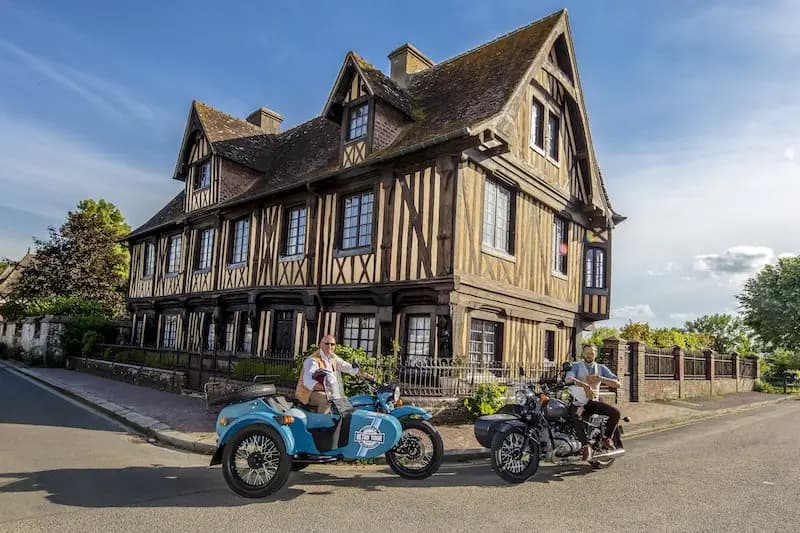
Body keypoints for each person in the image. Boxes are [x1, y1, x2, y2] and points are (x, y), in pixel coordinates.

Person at [565, 344, 622, 461]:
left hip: (593, 402)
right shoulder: (576, 366)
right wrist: (583, 384)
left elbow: (617, 383)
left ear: (595, 354)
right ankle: (586, 446)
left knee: (616, 413)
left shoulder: (601, 368)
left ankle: (606, 438)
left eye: (591, 353)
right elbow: (568, 379)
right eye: (587, 352)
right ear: (583, 353)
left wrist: (601, 378)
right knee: (576, 415)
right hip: (579, 402)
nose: (589, 355)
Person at [295, 335, 373, 414]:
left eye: (332, 344)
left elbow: (348, 367)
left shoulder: (332, 357)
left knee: (345, 403)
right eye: (327, 343)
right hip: (308, 393)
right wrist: (325, 388)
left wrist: (367, 376)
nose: (330, 346)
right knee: (326, 400)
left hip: (329, 392)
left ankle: (344, 423)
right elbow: (307, 381)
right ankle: (322, 423)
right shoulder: (312, 360)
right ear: (321, 344)